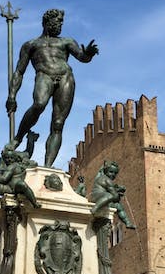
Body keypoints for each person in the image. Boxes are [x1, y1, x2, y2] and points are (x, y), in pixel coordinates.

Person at [6, 9, 98, 167]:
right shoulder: (31, 45)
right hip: (44, 75)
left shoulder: (66, 42)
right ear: (46, 23)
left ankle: (48, 167)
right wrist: (12, 95)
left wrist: (88, 54)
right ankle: (18, 139)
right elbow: (19, 72)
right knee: (39, 104)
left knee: (58, 123)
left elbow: (82, 57)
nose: (60, 24)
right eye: (57, 21)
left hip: (65, 77)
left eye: (62, 21)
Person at [91, 161, 136, 229]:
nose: (113, 174)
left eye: (115, 173)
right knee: (110, 195)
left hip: (101, 200)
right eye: (111, 172)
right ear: (106, 171)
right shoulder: (107, 180)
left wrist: (118, 190)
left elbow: (100, 171)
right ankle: (95, 209)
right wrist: (118, 194)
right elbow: (114, 196)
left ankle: (127, 222)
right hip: (98, 198)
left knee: (118, 206)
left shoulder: (99, 177)